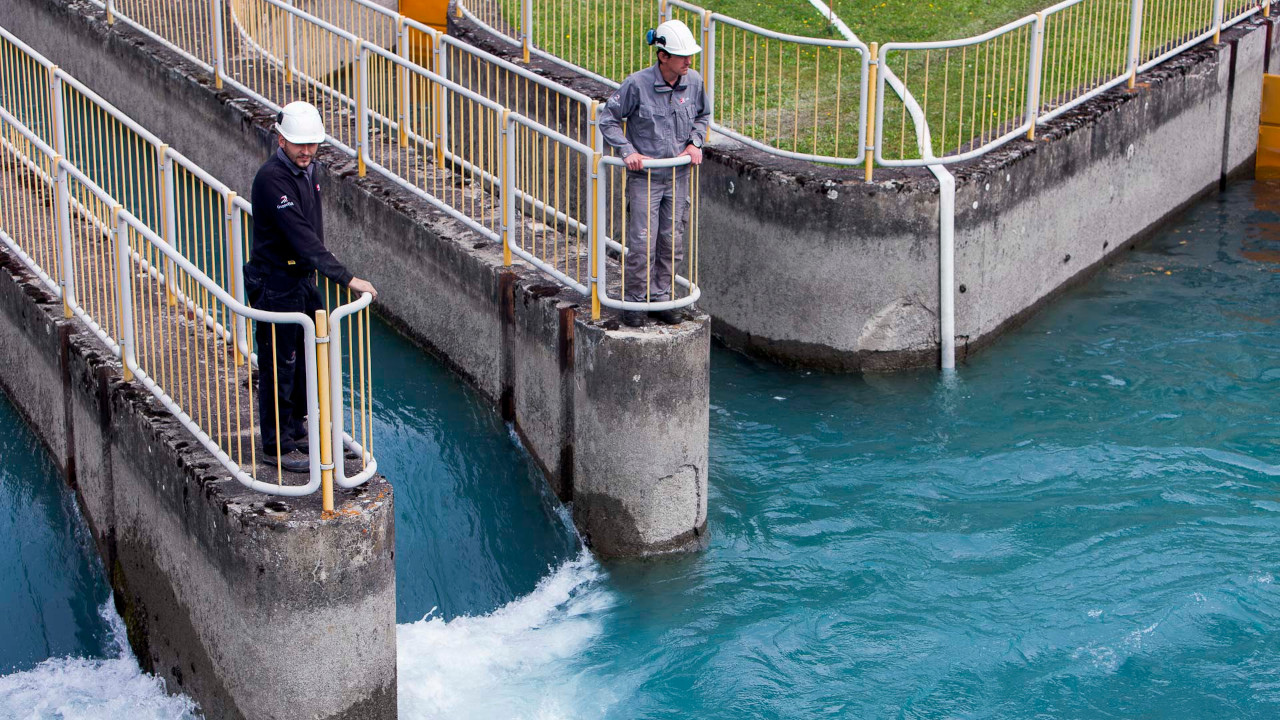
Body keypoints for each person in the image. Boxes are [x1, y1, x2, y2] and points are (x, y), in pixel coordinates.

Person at [244, 100, 378, 473]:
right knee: (279, 363)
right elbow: (302, 236)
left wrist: (321, 268)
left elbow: (311, 229)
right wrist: (347, 278)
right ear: (281, 139)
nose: (306, 151)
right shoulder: (273, 180)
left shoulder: (309, 169)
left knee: (305, 359)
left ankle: (296, 428)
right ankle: (275, 444)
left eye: (311, 144)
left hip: (301, 279)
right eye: (298, 143)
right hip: (275, 283)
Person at [598, 19, 710, 328]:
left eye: (689, 56)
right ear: (663, 56)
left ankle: (661, 297)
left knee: (671, 239)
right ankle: (635, 300)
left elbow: (703, 116)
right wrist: (627, 151)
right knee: (642, 240)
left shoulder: (694, 82)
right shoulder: (637, 84)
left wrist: (694, 142)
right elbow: (608, 119)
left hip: (678, 176)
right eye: (682, 56)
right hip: (646, 178)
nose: (688, 61)